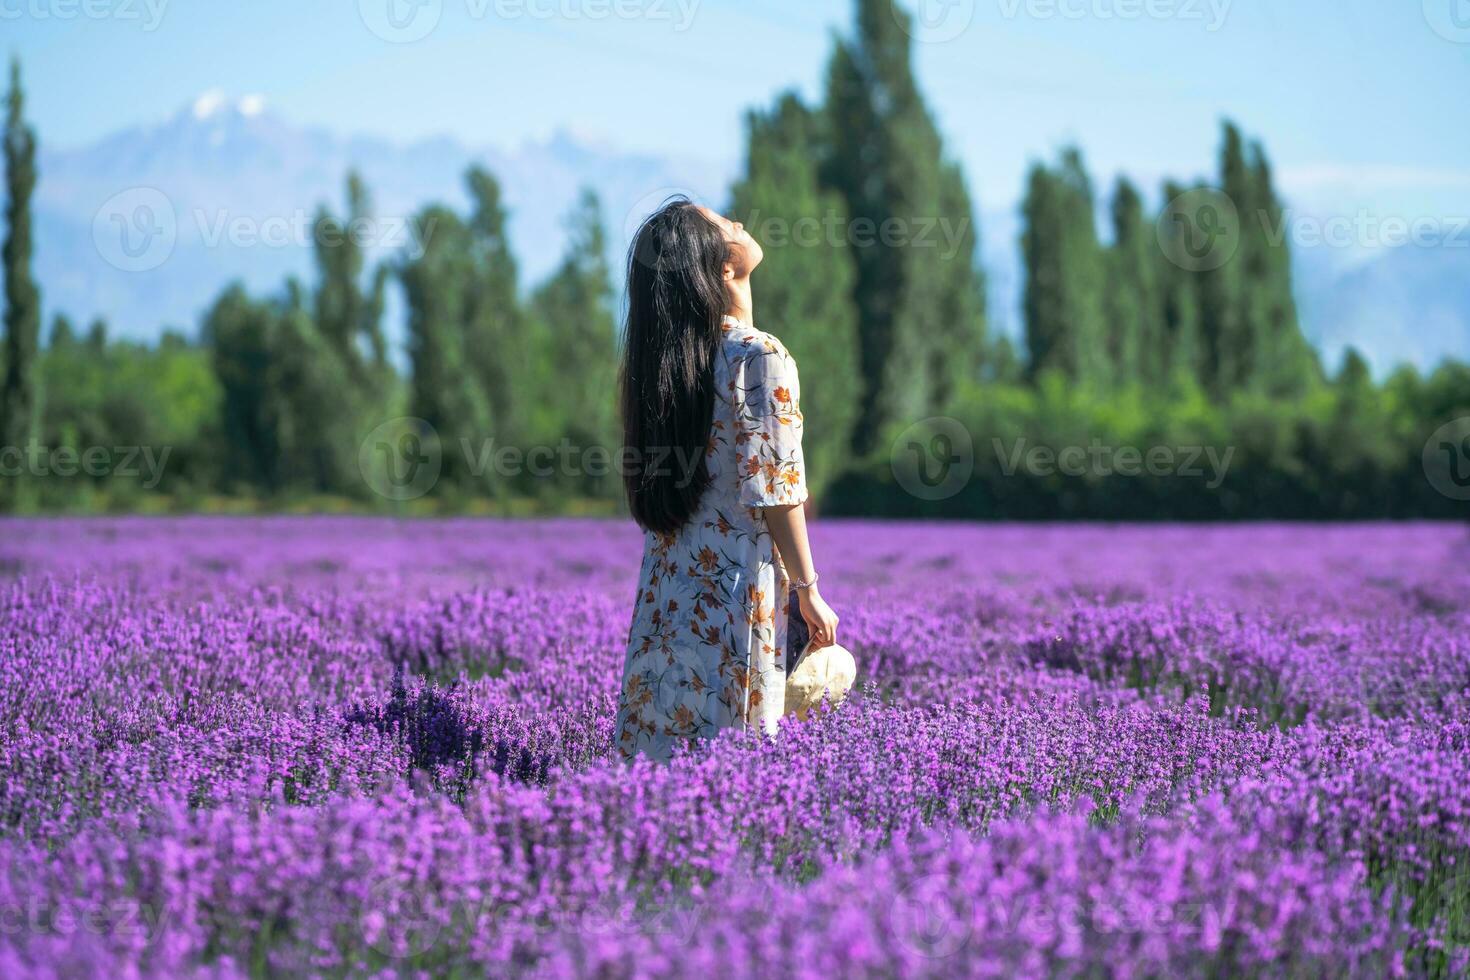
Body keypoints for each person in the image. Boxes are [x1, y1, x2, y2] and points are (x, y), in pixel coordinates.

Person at [613, 197, 841, 762]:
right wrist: (809, 593)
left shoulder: (671, 363)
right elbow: (779, 488)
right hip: (734, 596)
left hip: (667, 600)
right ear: (721, 265)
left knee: (658, 769)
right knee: (729, 770)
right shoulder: (758, 355)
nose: (738, 220)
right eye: (723, 223)